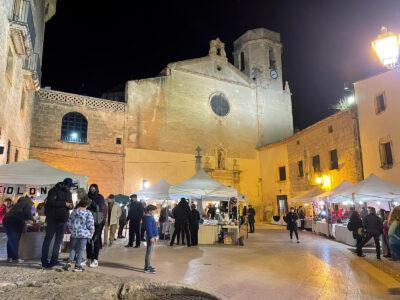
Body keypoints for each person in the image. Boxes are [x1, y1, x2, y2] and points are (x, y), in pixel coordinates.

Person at [41, 178, 74, 269]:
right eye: (68, 186)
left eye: (70, 187)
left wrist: (71, 206)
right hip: (52, 219)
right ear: (64, 184)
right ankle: (44, 261)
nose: (69, 188)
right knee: (48, 240)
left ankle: (54, 261)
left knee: (58, 241)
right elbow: (50, 202)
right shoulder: (54, 190)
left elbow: (71, 204)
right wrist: (64, 203)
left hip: (63, 220)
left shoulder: (69, 193)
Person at [64, 196, 95, 272]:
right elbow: (90, 224)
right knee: (80, 250)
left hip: (75, 234)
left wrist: (72, 230)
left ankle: (69, 263)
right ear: (87, 205)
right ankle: (77, 266)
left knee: (73, 248)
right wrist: (91, 233)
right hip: (84, 234)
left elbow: (69, 222)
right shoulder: (88, 213)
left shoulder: (74, 211)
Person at [3, 196, 34, 262]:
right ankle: (15, 258)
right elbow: (27, 212)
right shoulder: (28, 202)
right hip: (14, 221)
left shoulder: (18, 204)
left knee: (11, 240)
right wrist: (33, 220)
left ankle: (9, 257)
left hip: (6, 220)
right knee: (15, 240)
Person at [86, 183, 105, 268]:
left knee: (95, 239)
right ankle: (88, 258)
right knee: (88, 240)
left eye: (94, 189)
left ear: (96, 189)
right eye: (91, 188)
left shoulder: (100, 197)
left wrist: (91, 202)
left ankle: (95, 260)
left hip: (97, 221)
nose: (92, 190)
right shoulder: (87, 196)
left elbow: (98, 208)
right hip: (88, 220)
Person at [143, 204, 158, 274]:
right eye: (154, 211)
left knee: (150, 252)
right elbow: (149, 229)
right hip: (150, 236)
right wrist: (152, 237)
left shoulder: (150, 217)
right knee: (149, 252)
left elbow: (153, 226)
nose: (154, 212)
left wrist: (156, 235)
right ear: (149, 211)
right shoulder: (147, 218)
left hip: (152, 236)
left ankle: (148, 265)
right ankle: (147, 268)